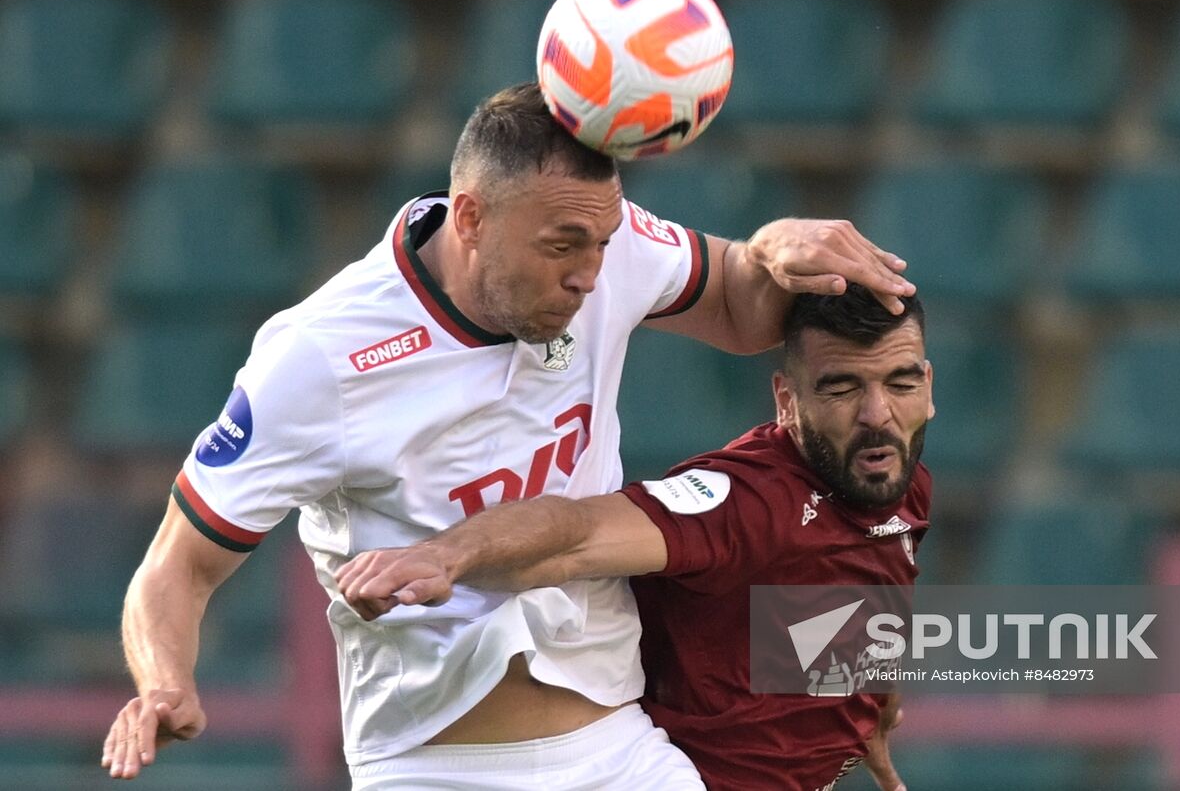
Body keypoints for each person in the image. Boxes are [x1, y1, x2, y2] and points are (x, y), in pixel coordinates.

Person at [101, 82, 914, 789]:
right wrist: (164, 680)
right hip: (434, 766)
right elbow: (177, 566)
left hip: (620, 751)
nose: (591, 275)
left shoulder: (609, 242)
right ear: (471, 216)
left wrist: (771, 247)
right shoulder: (320, 357)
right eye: (563, 248)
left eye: (600, 244)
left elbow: (742, 303)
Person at [336, 285, 933, 791]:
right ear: (786, 400)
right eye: (842, 388)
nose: (877, 412)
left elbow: (841, 586)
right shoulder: (744, 502)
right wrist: (448, 554)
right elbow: (579, 532)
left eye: (900, 384)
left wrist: (867, 702)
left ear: (928, 389)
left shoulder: (897, 480)